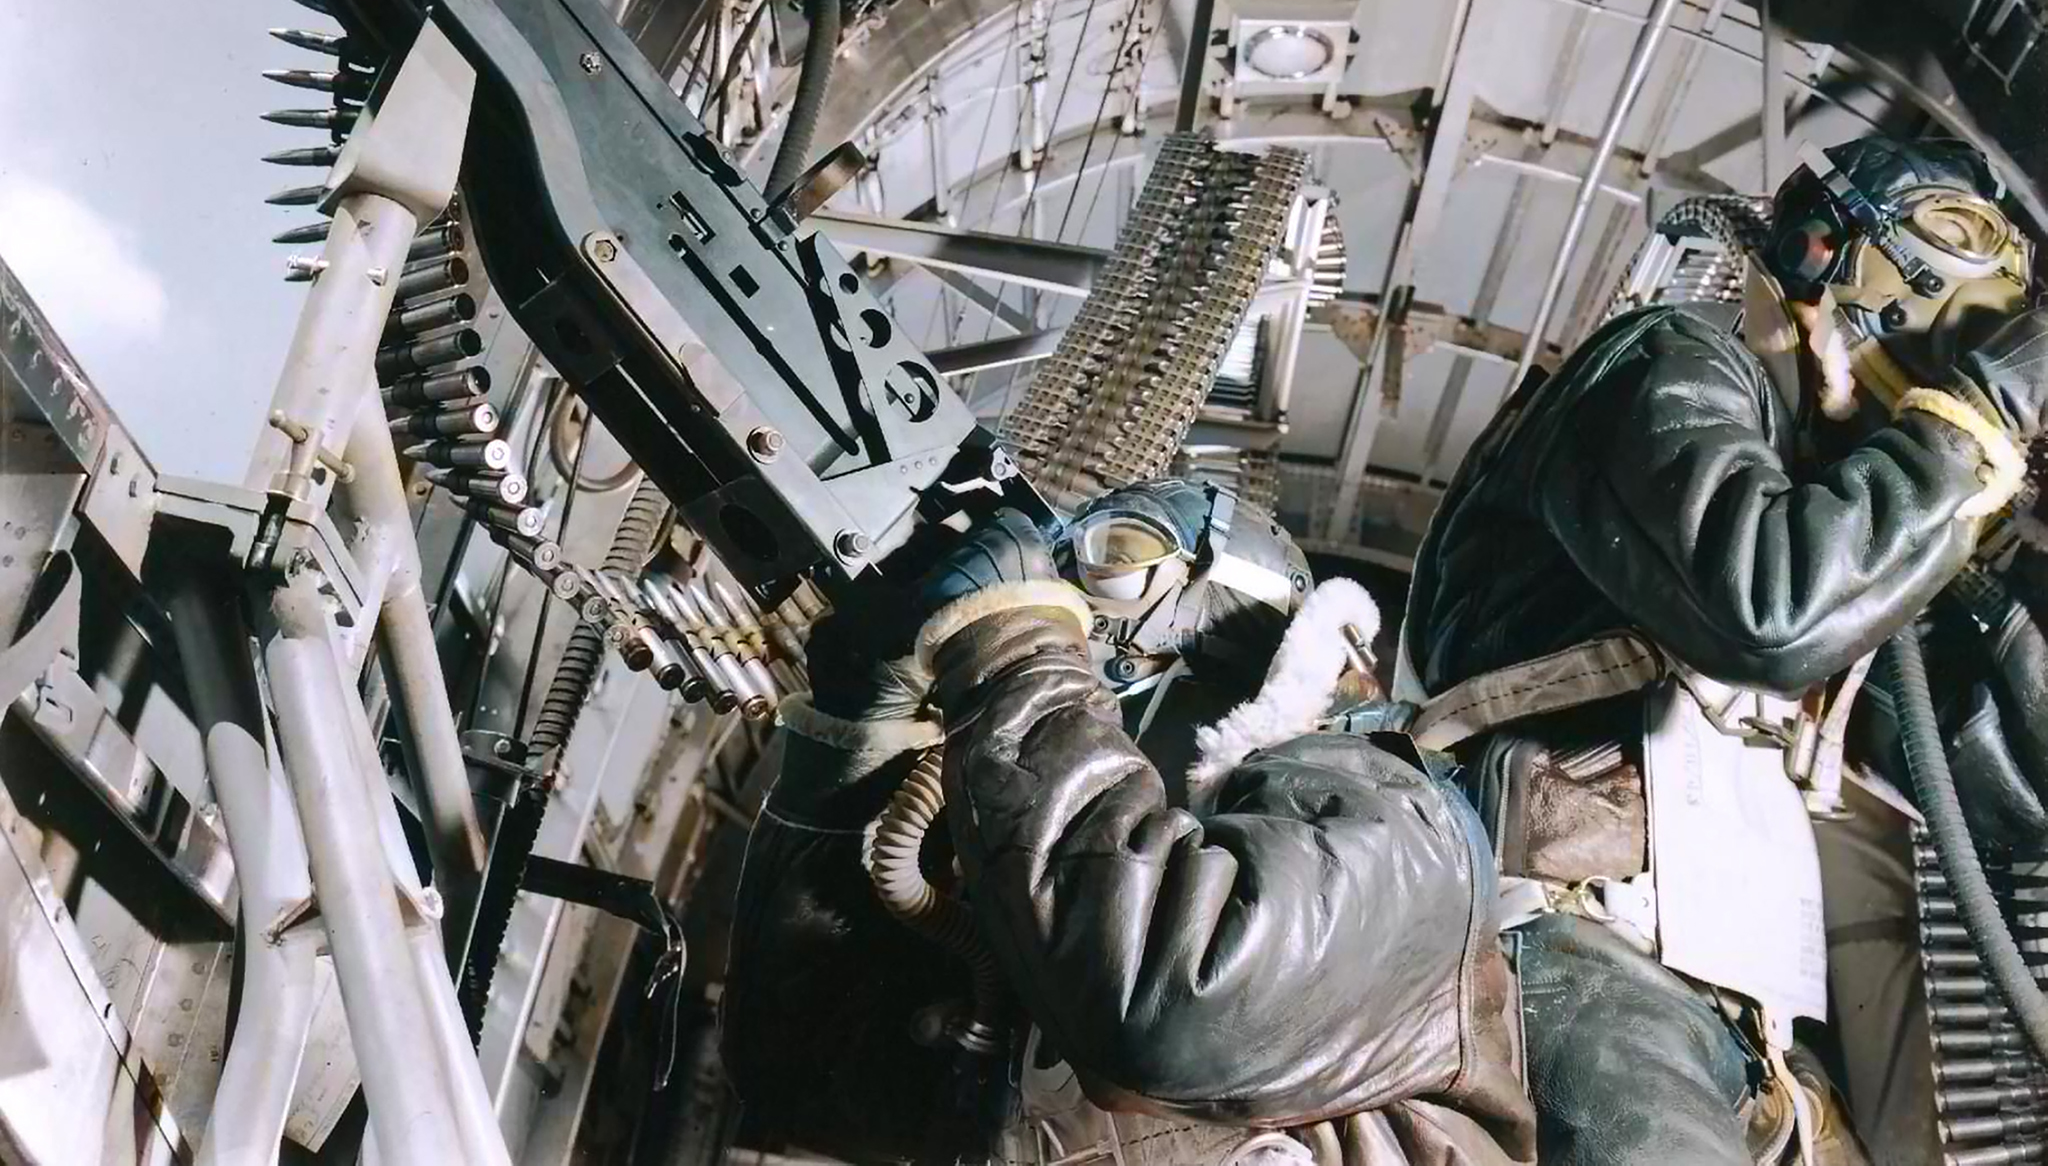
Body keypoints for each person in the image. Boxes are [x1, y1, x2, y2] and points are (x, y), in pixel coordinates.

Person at [1395, 135, 2048, 1164]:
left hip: (1750, 1024)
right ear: (1816, 253)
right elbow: (1764, 603)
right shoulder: (1659, 363)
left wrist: (1996, 557)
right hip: (1570, 955)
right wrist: (1969, 423)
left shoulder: (1848, 519)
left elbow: (2011, 789)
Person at [722, 480, 1536, 1165]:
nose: (1094, 664)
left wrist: (1010, 646)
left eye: (1118, 574)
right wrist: (861, 742)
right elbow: (800, 1074)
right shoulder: (1061, 975)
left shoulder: (1408, 847)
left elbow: (1179, 1003)